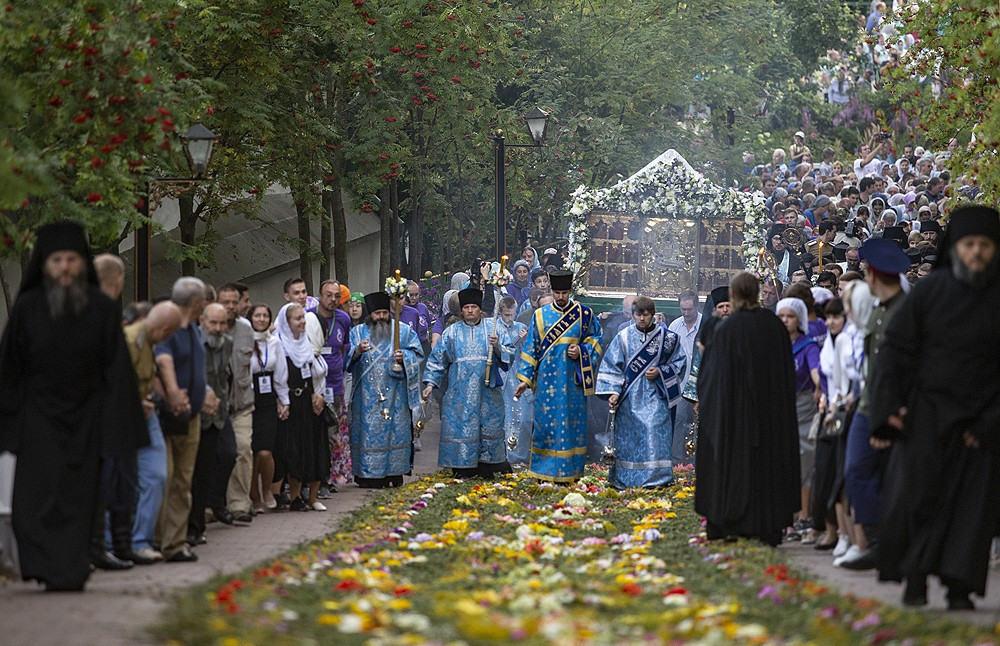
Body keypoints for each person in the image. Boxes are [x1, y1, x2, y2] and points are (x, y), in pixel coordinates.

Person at [0, 222, 145, 590]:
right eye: (57, 260)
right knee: (32, 503)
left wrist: (115, 425)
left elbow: (116, 371)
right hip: (37, 419)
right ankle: (43, 563)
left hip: (86, 419)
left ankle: (69, 569)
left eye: (72, 260)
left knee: (79, 499)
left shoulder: (101, 308)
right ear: (44, 265)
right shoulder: (28, 306)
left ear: (82, 264)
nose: (64, 268)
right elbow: (10, 370)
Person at [869, 205, 1000, 610]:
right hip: (926, 416)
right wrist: (888, 406)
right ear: (955, 248)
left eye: (984, 245)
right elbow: (896, 351)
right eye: (968, 245)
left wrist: (990, 420)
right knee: (918, 500)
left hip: (980, 424)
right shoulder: (929, 292)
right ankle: (915, 578)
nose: (976, 253)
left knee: (971, 511)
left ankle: (960, 588)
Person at [695, 272, 799, 547]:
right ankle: (768, 525)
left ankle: (728, 520)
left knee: (732, 466)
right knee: (767, 468)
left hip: (733, 417)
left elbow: (710, 378)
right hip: (770, 416)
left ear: (735, 296)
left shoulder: (726, 329)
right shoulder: (774, 326)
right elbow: (786, 373)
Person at [840, 237, 909, 571]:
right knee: (857, 471)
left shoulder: (905, 312)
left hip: (891, 409)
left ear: (872, 275)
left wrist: (892, 411)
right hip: (871, 405)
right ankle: (876, 540)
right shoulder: (882, 311)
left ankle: (887, 544)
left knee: (883, 475)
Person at [514, 270, 603, 482]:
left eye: (564, 292)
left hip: (573, 383)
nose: (561, 297)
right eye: (557, 292)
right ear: (551, 291)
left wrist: (582, 351)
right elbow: (532, 348)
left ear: (570, 291)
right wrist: (524, 381)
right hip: (547, 383)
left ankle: (572, 471)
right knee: (545, 425)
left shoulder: (585, 314)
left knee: (573, 426)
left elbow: (597, 339)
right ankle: (543, 472)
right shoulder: (540, 316)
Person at [596, 296, 687, 488]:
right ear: (633, 315)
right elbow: (612, 365)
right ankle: (626, 477)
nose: (642, 319)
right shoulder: (623, 337)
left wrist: (661, 372)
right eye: (639, 315)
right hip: (629, 398)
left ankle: (656, 479)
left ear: (652, 315)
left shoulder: (668, 339)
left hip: (656, 397)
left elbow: (679, 363)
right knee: (629, 440)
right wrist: (612, 392)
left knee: (653, 431)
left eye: (646, 315)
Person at [423, 288, 513, 478]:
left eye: (474, 307)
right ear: (461, 310)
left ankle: (487, 465)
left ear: (480, 309)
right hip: (460, 393)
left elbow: (510, 354)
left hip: (488, 392)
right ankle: (463, 466)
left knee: (489, 426)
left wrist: (497, 346)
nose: (470, 311)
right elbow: (437, 359)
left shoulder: (493, 327)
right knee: (462, 428)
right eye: (466, 308)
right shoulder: (452, 333)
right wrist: (430, 383)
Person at [155, 276, 211, 563]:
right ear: (196, 302)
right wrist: (173, 392)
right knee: (165, 477)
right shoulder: (170, 324)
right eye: (203, 301)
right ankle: (156, 538)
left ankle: (175, 543)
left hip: (191, 416)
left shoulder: (193, 329)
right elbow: (162, 360)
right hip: (168, 414)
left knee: (183, 480)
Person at [124, 301, 183, 565]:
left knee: (157, 475)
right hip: (129, 415)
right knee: (122, 479)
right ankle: (124, 541)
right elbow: (116, 381)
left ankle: (140, 539)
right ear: (163, 328)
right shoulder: (132, 339)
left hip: (148, 415)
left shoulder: (149, 341)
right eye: (170, 332)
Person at [348, 291, 423, 488]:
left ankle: (394, 473)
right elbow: (345, 360)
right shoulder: (356, 333)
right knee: (367, 433)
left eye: (384, 313)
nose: (381, 317)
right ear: (370, 314)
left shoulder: (404, 331)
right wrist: (356, 351)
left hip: (396, 395)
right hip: (366, 398)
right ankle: (367, 475)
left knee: (395, 432)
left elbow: (418, 354)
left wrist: (404, 357)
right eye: (377, 313)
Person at [187, 303, 238, 545]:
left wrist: (224, 403)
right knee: (193, 473)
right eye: (213, 323)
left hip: (218, 414)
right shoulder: (194, 343)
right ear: (203, 322)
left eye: (222, 323)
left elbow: (224, 378)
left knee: (219, 461)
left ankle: (200, 522)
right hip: (195, 413)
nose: (218, 328)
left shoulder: (227, 343)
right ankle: (191, 527)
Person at [274, 303, 328, 510]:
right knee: (292, 450)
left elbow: (315, 372)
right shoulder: (279, 345)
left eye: (303, 318)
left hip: (307, 401)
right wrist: (282, 401)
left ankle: (311, 498)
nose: (302, 322)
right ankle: (293, 497)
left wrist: (318, 394)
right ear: (286, 323)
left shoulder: (306, 343)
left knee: (311, 447)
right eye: (297, 319)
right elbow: (278, 378)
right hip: (289, 403)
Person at [776, 296, 822, 541]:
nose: (784, 321)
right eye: (781, 316)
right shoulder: (774, 344)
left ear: (800, 319)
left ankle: (804, 515)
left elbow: (815, 370)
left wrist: (819, 385)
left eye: (790, 316)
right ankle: (785, 518)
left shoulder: (808, 345)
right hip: (779, 405)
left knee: (805, 460)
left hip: (803, 405)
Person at [306, 280, 352, 496]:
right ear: (319, 295)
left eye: (336, 296)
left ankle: (326, 479)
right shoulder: (308, 316)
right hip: (312, 386)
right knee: (312, 432)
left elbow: (343, 349)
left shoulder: (343, 319)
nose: (333, 300)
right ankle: (309, 478)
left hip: (334, 385)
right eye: (328, 295)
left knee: (330, 434)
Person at [217, 284, 255, 524]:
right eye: (225, 302)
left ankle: (239, 504)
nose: (230, 307)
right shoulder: (207, 327)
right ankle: (212, 504)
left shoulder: (246, 329)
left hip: (242, 403)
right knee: (214, 455)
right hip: (215, 406)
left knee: (242, 449)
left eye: (234, 302)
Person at [247, 305, 289, 513]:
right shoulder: (245, 341)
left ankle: (267, 491)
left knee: (265, 451)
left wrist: (284, 401)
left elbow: (281, 374)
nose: (262, 319)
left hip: (268, 399)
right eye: (257, 315)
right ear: (251, 318)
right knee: (251, 452)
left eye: (265, 315)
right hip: (248, 398)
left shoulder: (274, 343)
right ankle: (253, 496)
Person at [668, 290, 701, 464]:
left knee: (699, 420)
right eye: (683, 309)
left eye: (689, 309)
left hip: (700, 382)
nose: (686, 313)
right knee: (678, 418)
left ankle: (697, 458)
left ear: (696, 306)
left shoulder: (705, 324)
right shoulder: (675, 326)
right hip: (680, 382)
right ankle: (676, 459)